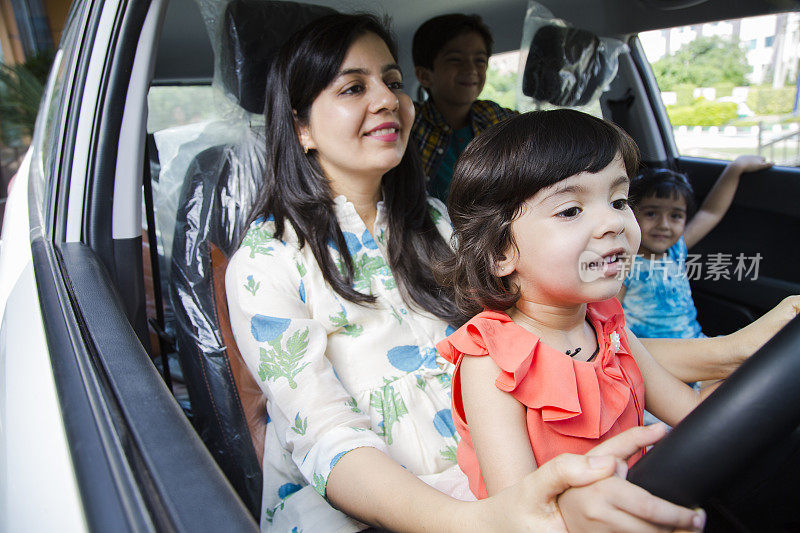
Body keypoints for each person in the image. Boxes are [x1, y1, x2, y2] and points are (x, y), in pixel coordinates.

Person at [225, 12, 797, 533]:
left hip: (507, 470)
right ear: (300, 127)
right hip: (388, 508)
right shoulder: (266, 261)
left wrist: (729, 353)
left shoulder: (438, 223)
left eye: (393, 82)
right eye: (354, 87)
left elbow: (549, 347)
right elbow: (325, 436)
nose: (386, 100)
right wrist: (488, 519)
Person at [436, 107, 720, 511]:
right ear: (501, 251)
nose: (613, 222)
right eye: (570, 210)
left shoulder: (609, 325)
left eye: (619, 200)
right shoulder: (491, 363)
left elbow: (692, 415)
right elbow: (523, 509)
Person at [619, 156, 772, 339]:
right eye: (651, 213)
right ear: (630, 214)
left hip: (694, 341)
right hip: (653, 353)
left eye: (675, 216)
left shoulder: (676, 249)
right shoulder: (625, 264)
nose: (664, 225)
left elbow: (710, 213)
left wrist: (735, 169)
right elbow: (612, 320)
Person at [411, 14, 516, 201]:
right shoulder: (411, 122)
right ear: (424, 75)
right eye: (455, 60)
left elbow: (533, 134)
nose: (471, 69)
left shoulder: (495, 117)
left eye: (480, 60)